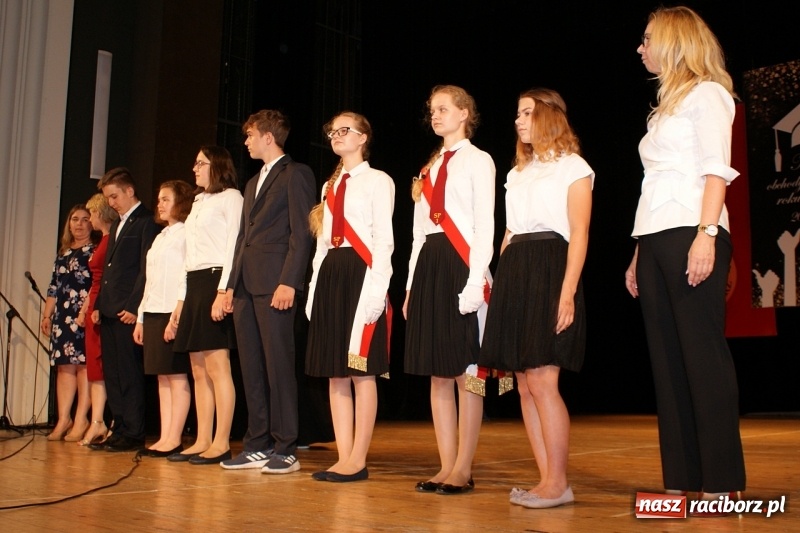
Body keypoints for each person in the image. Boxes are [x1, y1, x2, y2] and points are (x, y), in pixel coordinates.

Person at [624, 6, 746, 499]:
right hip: (655, 238)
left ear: (674, 41)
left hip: (691, 232)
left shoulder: (710, 95)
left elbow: (717, 170)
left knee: (703, 356)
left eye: (647, 38)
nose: (640, 47)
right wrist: (637, 253)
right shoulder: (664, 109)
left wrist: (707, 233)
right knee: (667, 361)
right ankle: (682, 480)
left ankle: (723, 481)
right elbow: (653, 183)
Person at [480, 89, 593, 509]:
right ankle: (546, 479)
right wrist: (496, 283)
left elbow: (579, 234)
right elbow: (509, 233)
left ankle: (559, 481)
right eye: (517, 113)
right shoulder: (518, 173)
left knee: (544, 379)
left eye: (527, 112)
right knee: (524, 383)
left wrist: (567, 293)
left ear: (549, 115)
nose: (518, 120)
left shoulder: (574, 168)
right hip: (516, 270)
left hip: (550, 266)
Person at [404, 85, 495, 494]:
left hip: (462, 264)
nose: (435, 116)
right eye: (432, 110)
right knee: (438, 373)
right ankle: (444, 466)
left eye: (443, 109)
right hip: (430, 266)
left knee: (468, 371)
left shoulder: (479, 160)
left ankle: (464, 467)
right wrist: (409, 288)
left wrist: (476, 280)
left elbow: (484, 225)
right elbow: (418, 233)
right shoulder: (429, 168)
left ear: (464, 114)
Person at [220, 110, 315, 474]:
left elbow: (300, 232)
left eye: (249, 135)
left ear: (268, 137)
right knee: (252, 368)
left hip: (275, 283)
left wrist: (289, 280)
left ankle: (285, 446)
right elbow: (243, 239)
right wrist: (230, 285)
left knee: (278, 366)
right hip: (246, 285)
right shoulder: (252, 182)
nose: (245, 142)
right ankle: (256, 442)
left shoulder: (296, 174)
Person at [305, 112, 394, 482]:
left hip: (361, 275)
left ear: (363, 138)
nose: (336, 136)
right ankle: (343, 456)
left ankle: (358, 458)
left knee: (361, 370)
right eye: (332, 132)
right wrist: (313, 289)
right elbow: (323, 244)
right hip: (331, 275)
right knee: (335, 372)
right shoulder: (331, 186)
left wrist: (377, 291)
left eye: (345, 131)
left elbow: (383, 241)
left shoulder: (378, 180)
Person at [169, 147, 242, 465]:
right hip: (196, 283)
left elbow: (233, 248)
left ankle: (222, 442)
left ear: (218, 166)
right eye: (195, 162)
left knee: (217, 367)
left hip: (216, 280)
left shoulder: (232, 198)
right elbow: (189, 257)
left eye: (201, 163)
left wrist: (224, 289)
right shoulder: (198, 202)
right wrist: (182, 300)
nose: (195, 168)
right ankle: (202, 438)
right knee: (198, 370)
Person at [93, 168, 159, 452]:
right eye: (108, 198)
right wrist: (98, 305)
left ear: (129, 191)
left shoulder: (146, 222)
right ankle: (118, 427)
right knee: (113, 372)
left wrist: (134, 306)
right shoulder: (118, 224)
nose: (111, 202)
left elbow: (146, 269)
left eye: (114, 196)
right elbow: (108, 270)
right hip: (108, 308)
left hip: (127, 310)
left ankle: (133, 431)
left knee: (130, 374)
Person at [133, 181, 194, 457]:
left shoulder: (185, 234)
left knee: (176, 375)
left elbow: (186, 274)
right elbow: (150, 280)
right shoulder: (161, 235)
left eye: (166, 199)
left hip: (172, 311)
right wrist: (141, 317)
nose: (159, 204)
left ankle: (175, 437)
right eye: (159, 199)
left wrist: (176, 315)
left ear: (180, 202)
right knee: (162, 378)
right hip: (154, 310)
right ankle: (164, 436)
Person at [41, 205, 97, 441]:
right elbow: (53, 287)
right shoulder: (63, 253)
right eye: (75, 219)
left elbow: (96, 284)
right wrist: (46, 315)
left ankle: (82, 418)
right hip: (62, 317)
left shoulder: (93, 251)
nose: (79, 224)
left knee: (83, 366)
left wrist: (86, 311)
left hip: (82, 315)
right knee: (64, 366)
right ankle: (64, 418)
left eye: (85, 219)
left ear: (92, 224)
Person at [74, 194, 118, 446]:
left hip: (101, 308)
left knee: (101, 368)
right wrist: (83, 309)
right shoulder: (102, 240)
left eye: (91, 213)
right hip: (93, 307)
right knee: (94, 369)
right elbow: (94, 283)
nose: (89, 219)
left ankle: (102, 421)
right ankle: (97, 420)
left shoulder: (111, 239)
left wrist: (95, 306)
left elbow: (103, 281)